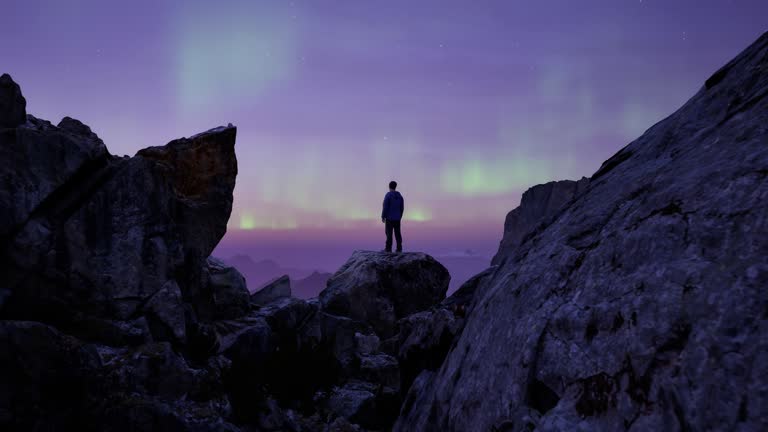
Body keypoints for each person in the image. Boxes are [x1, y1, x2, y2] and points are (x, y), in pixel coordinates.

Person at [381, 180, 405, 253]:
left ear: (389, 186)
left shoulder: (388, 195)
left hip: (389, 218)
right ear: (395, 186)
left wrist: (383, 216)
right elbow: (402, 207)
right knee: (398, 234)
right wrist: (400, 216)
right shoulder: (400, 196)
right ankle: (399, 248)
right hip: (397, 218)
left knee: (389, 233)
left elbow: (385, 206)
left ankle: (388, 249)